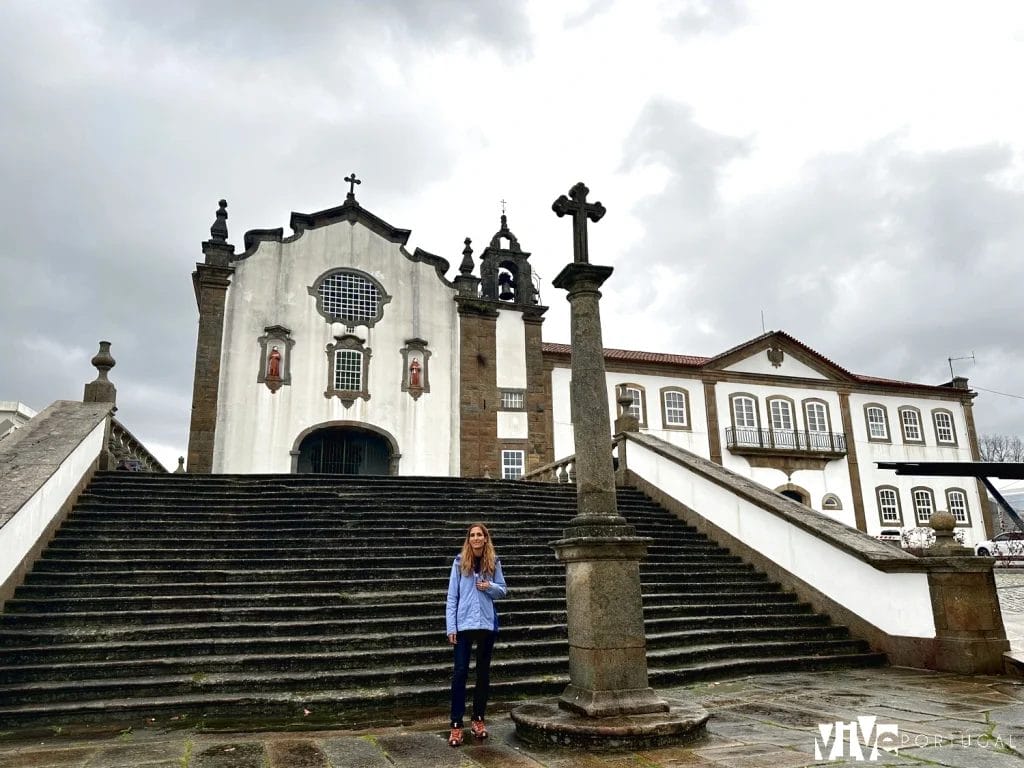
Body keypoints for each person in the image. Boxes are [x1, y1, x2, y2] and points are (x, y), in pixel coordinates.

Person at [446, 522, 506, 747]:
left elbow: (502, 590)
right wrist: (451, 626)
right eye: (473, 535)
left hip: (486, 624)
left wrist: (488, 586)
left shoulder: (494, 561)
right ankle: (456, 725)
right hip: (463, 624)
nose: (476, 538)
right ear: (468, 539)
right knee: (460, 672)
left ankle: (478, 719)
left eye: (480, 534)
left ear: (486, 538)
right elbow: (452, 596)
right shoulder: (460, 562)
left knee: (483, 673)